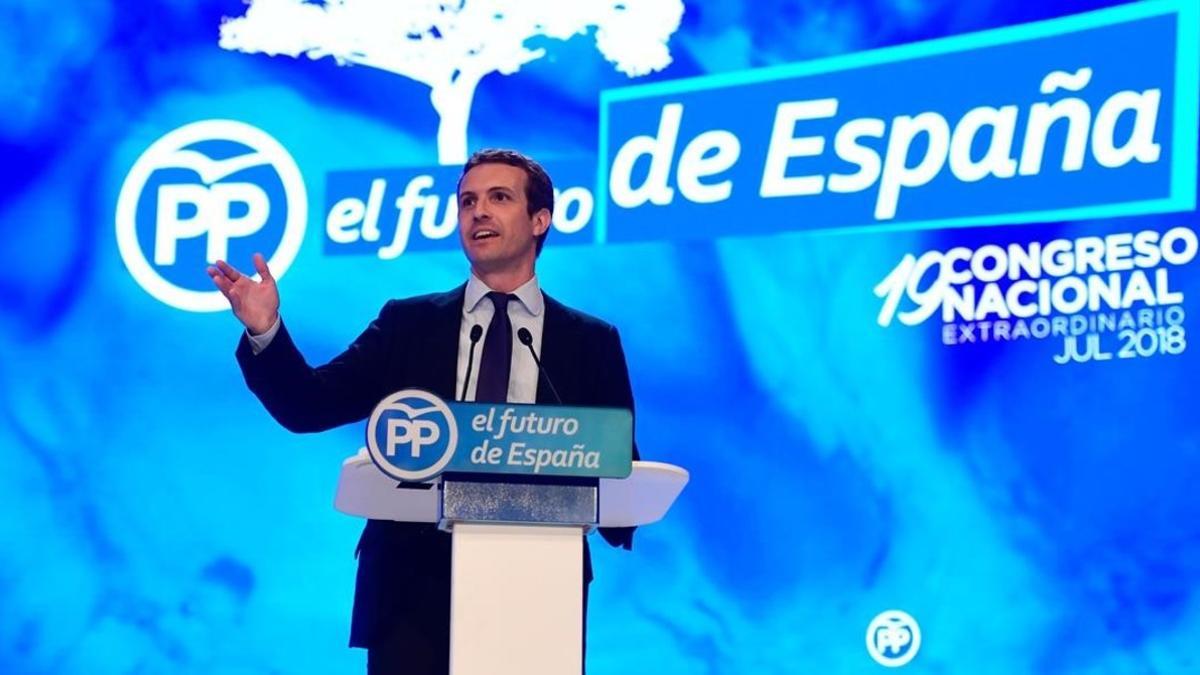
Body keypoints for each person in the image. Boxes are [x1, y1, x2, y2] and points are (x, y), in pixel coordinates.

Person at [208, 149, 638, 674]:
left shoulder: (590, 342)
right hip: (412, 596)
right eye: (467, 202)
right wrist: (264, 329)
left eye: (499, 198)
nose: (478, 212)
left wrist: (616, 508)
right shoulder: (407, 324)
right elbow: (309, 405)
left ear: (540, 220)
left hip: (538, 595)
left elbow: (617, 470)